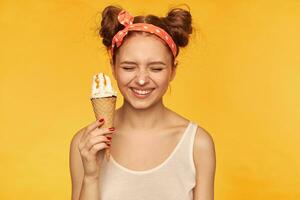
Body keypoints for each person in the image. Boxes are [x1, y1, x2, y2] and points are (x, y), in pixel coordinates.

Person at [69, 5, 216, 200]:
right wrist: (91, 177)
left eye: (156, 69)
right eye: (129, 67)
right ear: (113, 67)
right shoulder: (86, 144)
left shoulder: (197, 144)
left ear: (173, 70)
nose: (141, 80)